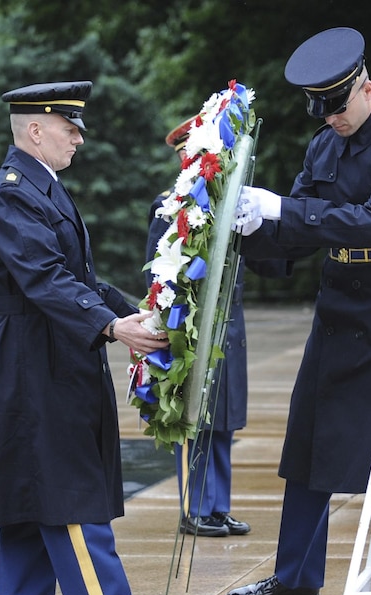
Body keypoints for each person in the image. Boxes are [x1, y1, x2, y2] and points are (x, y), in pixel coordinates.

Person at [225, 27, 371, 595]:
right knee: (310, 443)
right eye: (320, 108)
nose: (331, 117)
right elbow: (294, 233)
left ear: (367, 89)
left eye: (339, 104)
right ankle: (294, 576)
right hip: (340, 307)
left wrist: (282, 211)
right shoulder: (324, 146)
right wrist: (242, 231)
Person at [0, 80, 176, 595]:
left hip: (47, 352)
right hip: (33, 358)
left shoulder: (40, 187)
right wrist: (110, 327)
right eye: (69, 128)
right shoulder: (11, 194)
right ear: (35, 130)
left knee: (32, 488)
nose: (78, 139)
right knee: (65, 484)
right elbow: (44, 280)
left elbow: (78, 278)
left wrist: (136, 311)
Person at [145, 117, 253, 537]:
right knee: (194, 418)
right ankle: (196, 507)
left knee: (222, 420)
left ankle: (218, 505)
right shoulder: (171, 207)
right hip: (190, 327)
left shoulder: (228, 205)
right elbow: (160, 276)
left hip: (229, 325)